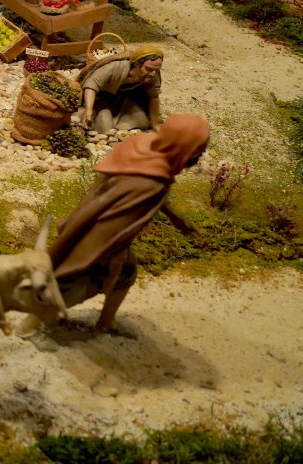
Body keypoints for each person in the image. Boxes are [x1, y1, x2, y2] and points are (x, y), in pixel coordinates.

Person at [40, 114, 208, 333]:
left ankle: (105, 322)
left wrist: (174, 216)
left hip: (87, 216)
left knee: (121, 274)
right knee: (78, 279)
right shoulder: (151, 183)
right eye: (198, 148)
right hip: (100, 240)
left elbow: (122, 192)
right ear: (184, 147)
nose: (200, 154)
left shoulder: (139, 145)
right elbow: (122, 224)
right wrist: (115, 260)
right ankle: (37, 318)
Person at [78, 46, 165, 133]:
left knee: (142, 121)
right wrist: (88, 110)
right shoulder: (115, 67)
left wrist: (155, 124)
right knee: (105, 126)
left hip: (121, 101)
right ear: (137, 64)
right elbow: (91, 85)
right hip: (99, 98)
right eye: (148, 69)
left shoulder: (151, 75)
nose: (153, 74)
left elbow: (154, 96)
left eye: (156, 70)